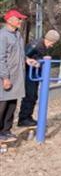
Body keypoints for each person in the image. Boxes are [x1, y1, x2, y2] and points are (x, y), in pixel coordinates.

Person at [0, 10, 36, 141]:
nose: (21, 21)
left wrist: (27, 60)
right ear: (9, 20)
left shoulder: (18, 35)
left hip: (16, 77)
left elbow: (19, 53)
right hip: (6, 77)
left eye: (21, 19)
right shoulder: (3, 36)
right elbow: (1, 58)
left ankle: (6, 130)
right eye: (18, 19)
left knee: (12, 104)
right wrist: (5, 78)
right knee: (2, 105)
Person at [17, 29, 61, 127]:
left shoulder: (41, 45)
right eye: (53, 43)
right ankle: (24, 119)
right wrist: (33, 62)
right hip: (28, 74)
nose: (52, 45)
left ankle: (27, 117)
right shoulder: (36, 45)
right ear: (50, 40)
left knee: (33, 96)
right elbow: (22, 56)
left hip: (33, 74)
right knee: (30, 96)